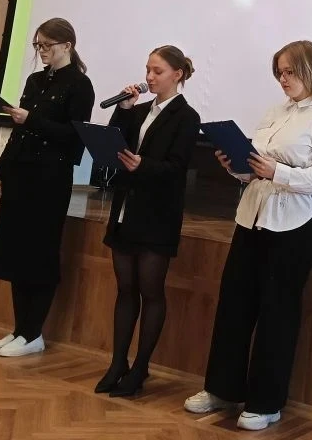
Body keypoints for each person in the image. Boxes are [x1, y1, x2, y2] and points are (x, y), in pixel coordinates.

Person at [184, 40, 312, 431]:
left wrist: (278, 172)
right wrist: (235, 165)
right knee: (234, 305)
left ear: (309, 70)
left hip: (296, 225)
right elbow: (254, 168)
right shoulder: (275, 112)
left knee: (277, 313)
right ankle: (222, 388)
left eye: (290, 72)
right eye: (279, 73)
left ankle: (266, 403)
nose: (283, 79)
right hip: (253, 217)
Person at [0, 18, 95, 357]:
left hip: (49, 179)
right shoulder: (35, 80)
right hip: (20, 173)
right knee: (16, 253)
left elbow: (74, 136)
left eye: (47, 45)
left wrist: (31, 119)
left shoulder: (80, 85)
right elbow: (18, 133)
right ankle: (20, 330)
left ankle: (34, 333)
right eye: (38, 45)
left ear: (67, 45)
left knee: (39, 253)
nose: (41, 51)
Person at [94, 45, 201, 397]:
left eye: (157, 71)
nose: (149, 77)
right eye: (148, 70)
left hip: (157, 215)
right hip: (127, 209)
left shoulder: (187, 117)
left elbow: (177, 168)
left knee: (150, 290)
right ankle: (117, 363)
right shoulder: (139, 110)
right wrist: (123, 110)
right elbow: (113, 145)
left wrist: (144, 166)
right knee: (125, 289)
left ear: (177, 74)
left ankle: (141, 367)